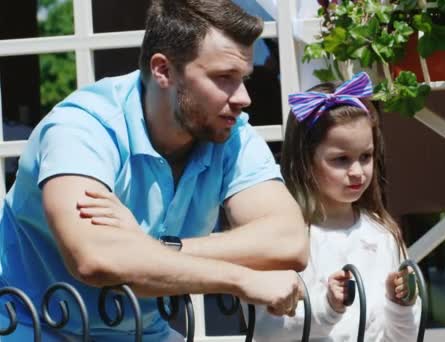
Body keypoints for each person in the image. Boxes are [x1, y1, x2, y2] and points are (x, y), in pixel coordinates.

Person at [0, 0, 308, 340]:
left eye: (243, 78)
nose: (244, 97)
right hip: (28, 325)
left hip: (144, 331)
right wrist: (242, 279)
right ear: (163, 70)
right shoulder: (82, 126)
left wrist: (157, 246)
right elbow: (95, 258)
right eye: (224, 78)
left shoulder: (231, 134)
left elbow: (290, 240)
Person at [245, 72, 422, 340]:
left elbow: (403, 336)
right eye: (340, 159)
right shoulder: (290, 238)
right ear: (307, 160)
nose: (357, 172)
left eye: (366, 156)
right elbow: (267, 329)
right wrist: (327, 307)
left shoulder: (382, 234)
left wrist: (401, 305)